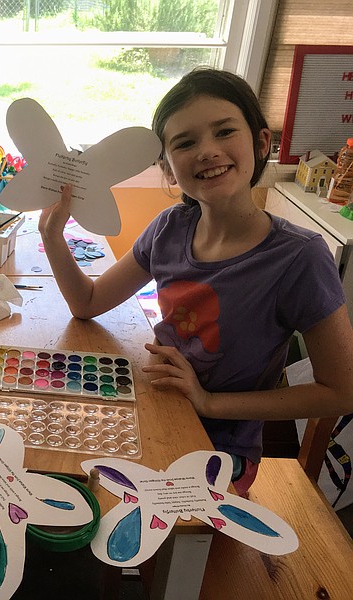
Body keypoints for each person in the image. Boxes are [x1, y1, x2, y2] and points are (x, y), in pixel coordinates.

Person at [39, 68, 353, 494]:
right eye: (185, 143)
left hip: (221, 451)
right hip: (156, 407)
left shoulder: (299, 257)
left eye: (224, 132)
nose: (207, 151)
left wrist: (208, 401)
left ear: (262, 143)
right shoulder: (170, 227)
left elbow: (340, 392)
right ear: (167, 168)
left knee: (114, 513)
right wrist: (51, 235)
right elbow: (88, 302)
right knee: (49, 456)